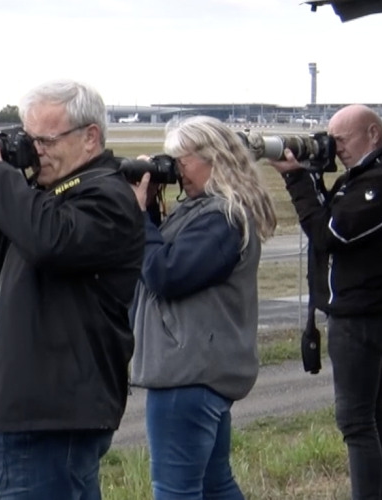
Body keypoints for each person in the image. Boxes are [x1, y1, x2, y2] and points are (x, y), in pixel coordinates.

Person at [0, 79, 146, 499]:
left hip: (51, 418)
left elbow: (49, 241)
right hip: (34, 412)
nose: (34, 149)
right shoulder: (50, 195)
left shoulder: (107, 196)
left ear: (90, 137)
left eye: (45, 140)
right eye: (29, 139)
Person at [268, 104, 382, 500]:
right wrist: (310, 175)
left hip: (361, 313)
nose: (335, 148)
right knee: (374, 414)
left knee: (356, 422)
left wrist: (297, 183)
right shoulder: (379, 174)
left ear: (372, 135)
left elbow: (330, 234)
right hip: (373, 308)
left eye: (342, 140)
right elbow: (336, 216)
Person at [128, 115, 278, 500]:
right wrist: (148, 212)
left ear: (214, 158)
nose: (177, 170)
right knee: (214, 485)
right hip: (198, 371)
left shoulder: (221, 218)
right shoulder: (208, 211)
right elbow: (164, 256)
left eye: (183, 159)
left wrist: (135, 215)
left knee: (175, 491)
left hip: (186, 375)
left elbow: (165, 273)